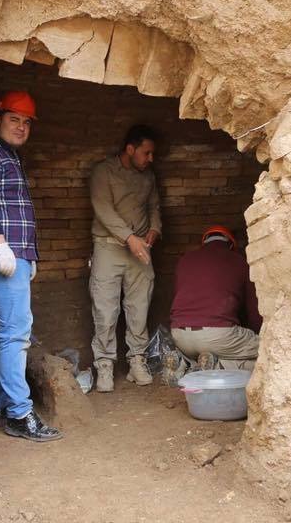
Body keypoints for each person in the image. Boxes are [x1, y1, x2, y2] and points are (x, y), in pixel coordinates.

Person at [0, 90, 62, 442]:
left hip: (10, 256)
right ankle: (20, 414)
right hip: (0, 257)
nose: (21, 127)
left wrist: (28, 255)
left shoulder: (8, 156)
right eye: (13, 119)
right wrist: (2, 246)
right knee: (16, 334)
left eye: (26, 122)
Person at [88, 124, 162, 392]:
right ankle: (104, 365)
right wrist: (130, 238)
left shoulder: (148, 176)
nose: (150, 158)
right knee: (105, 310)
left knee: (139, 308)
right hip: (108, 247)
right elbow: (103, 209)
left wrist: (154, 229)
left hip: (141, 248)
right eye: (146, 152)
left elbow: (154, 206)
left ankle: (137, 361)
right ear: (130, 149)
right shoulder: (103, 172)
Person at [169, 225, 262, 372]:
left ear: (204, 242)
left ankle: (185, 363)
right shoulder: (238, 261)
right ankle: (220, 366)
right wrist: (257, 333)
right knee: (270, 351)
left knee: (203, 353)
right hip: (218, 336)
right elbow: (253, 310)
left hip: (180, 336)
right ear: (231, 244)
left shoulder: (184, 260)